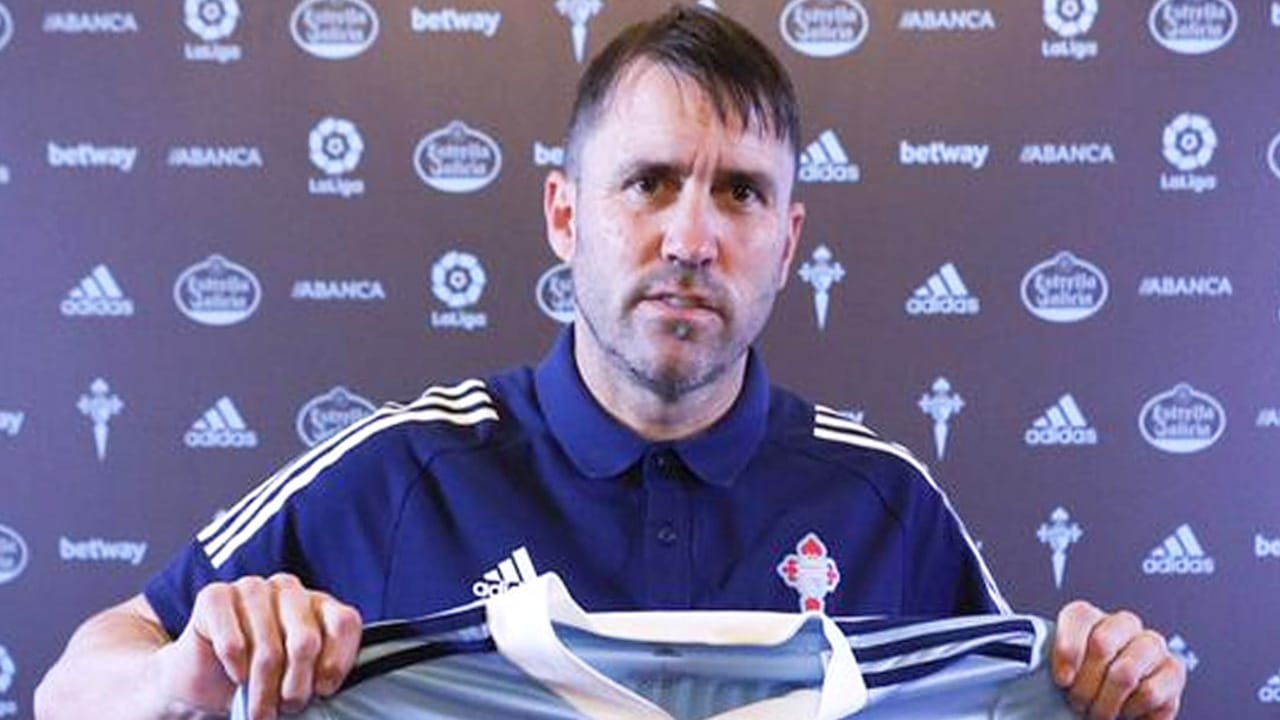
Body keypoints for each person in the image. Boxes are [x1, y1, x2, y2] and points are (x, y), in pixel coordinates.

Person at [36, 6, 1185, 719]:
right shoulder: (400, 473)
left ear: (787, 242)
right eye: (648, 182)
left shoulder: (886, 503)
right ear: (563, 213)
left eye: (740, 193)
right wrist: (182, 680)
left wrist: (1103, 684)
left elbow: (1008, 695)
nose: (690, 237)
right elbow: (70, 686)